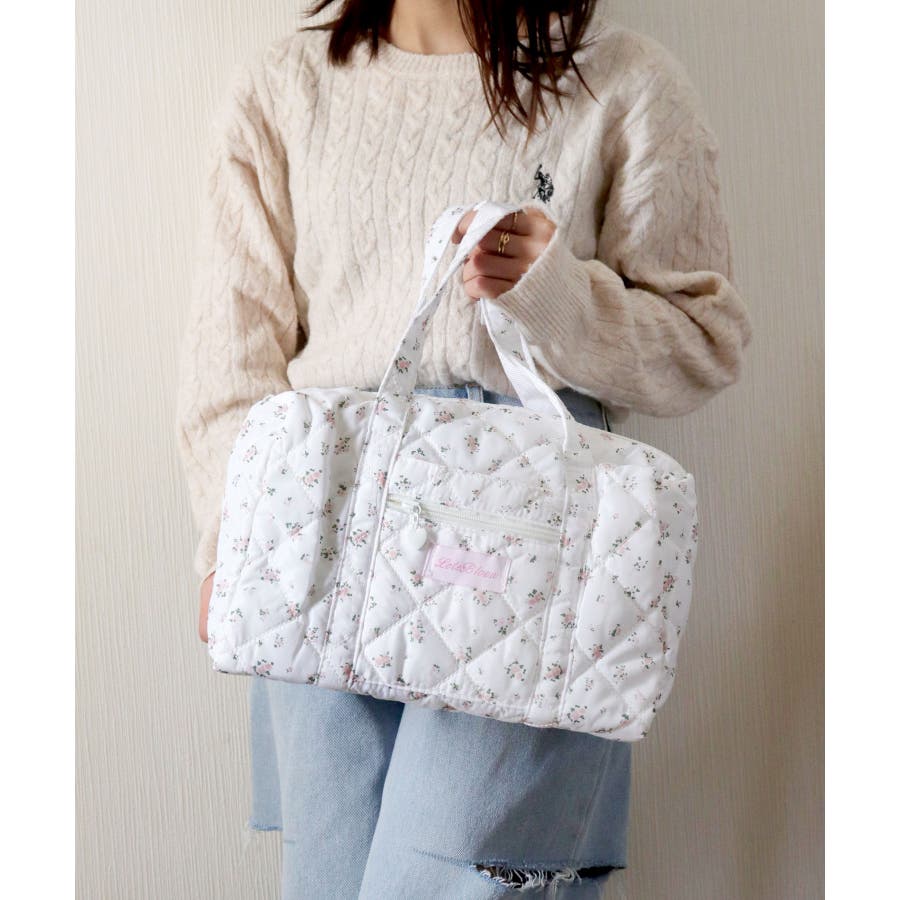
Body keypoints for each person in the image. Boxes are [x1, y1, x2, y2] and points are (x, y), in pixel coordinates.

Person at [174, 1, 752, 896]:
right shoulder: (287, 87)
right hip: (319, 522)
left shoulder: (625, 81)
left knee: (458, 876)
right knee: (332, 876)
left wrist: (560, 298)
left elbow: (702, 343)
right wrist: (231, 539)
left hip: (520, 540)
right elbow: (231, 350)